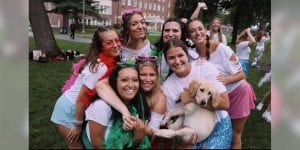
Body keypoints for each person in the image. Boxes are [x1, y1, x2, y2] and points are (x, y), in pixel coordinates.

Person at [187, 19, 256, 149]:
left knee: (235, 136)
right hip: (218, 98)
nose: (197, 33)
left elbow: (242, 74)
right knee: (219, 131)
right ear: (189, 36)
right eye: (192, 31)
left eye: (200, 29)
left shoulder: (221, 48)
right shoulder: (192, 54)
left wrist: (225, 80)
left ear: (205, 30)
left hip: (238, 93)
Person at [50, 26, 121, 149]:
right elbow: (82, 97)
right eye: (109, 42)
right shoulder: (99, 67)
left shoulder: (110, 61)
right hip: (69, 108)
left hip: (77, 109)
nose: (115, 45)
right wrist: (77, 125)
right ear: (100, 46)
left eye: (117, 40)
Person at [162, 39, 232, 149]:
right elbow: (175, 119)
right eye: (171, 58)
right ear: (166, 61)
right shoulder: (167, 86)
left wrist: (191, 97)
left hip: (218, 124)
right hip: (191, 129)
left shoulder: (205, 67)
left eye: (180, 55)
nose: (177, 61)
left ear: (187, 55)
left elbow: (225, 104)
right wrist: (185, 139)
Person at [82, 63, 151, 149]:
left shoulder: (135, 105)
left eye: (135, 80)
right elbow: (97, 145)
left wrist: (138, 138)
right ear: (115, 82)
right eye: (124, 80)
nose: (130, 84)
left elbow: (128, 146)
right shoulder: (101, 106)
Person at [151, 17, 199, 82]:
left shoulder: (191, 56)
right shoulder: (154, 52)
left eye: (175, 31)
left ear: (182, 33)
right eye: (167, 30)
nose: (170, 34)